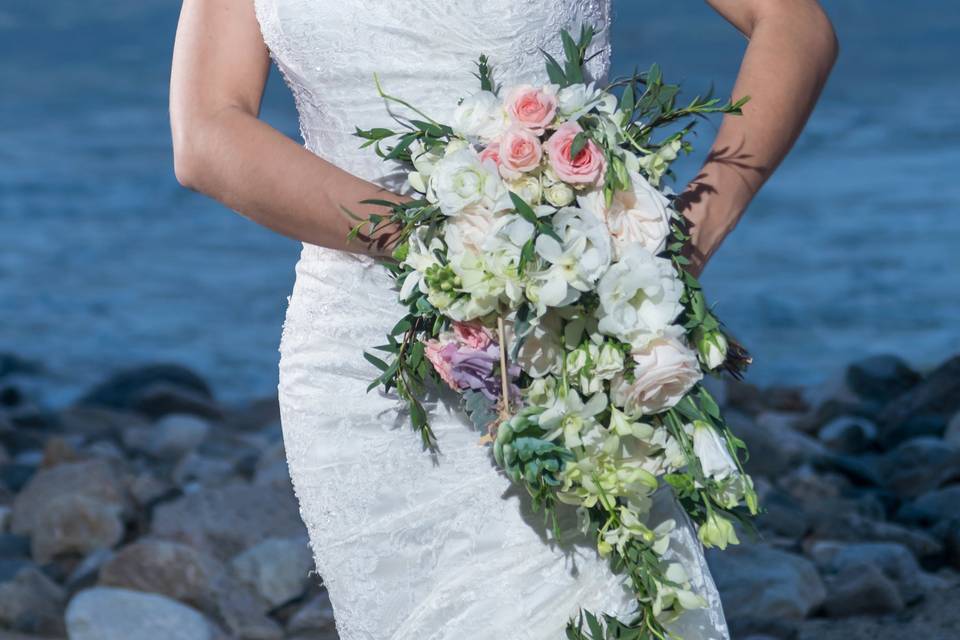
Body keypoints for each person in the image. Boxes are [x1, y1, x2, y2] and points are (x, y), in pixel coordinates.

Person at [170, 2, 837, 638]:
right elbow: (206, 132)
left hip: (564, 337)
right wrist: (439, 240)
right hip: (362, 371)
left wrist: (677, 247)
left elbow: (791, 23)